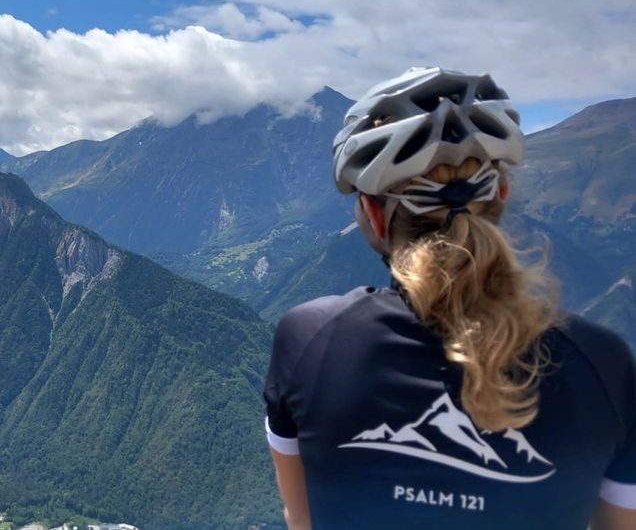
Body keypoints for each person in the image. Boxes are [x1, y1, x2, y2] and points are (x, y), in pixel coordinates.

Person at [262, 67, 636, 530]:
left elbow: (301, 520)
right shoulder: (603, 365)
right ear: (500, 194)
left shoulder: (309, 340)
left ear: (376, 217)